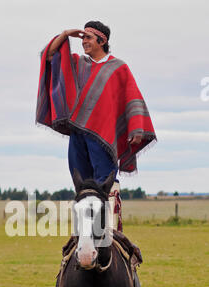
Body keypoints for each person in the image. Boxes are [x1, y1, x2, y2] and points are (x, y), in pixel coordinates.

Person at [36, 20, 156, 230]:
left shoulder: (118, 68)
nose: (84, 42)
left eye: (88, 38)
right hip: (78, 134)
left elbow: (132, 96)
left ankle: (109, 232)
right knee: (81, 184)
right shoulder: (78, 64)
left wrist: (136, 128)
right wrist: (65, 34)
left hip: (104, 136)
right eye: (83, 38)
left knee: (106, 185)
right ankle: (82, 234)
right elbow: (48, 57)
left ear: (102, 40)